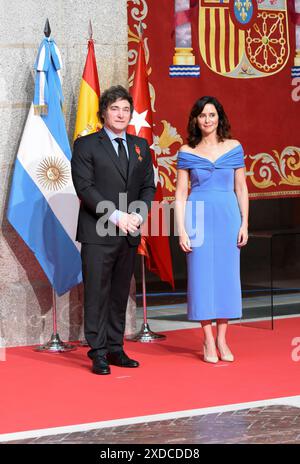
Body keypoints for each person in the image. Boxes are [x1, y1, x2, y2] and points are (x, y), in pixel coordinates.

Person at [71, 85, 156, 374]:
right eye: (115, 108)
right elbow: (85, 188)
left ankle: (116, 347)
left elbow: (148, 187)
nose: (121, 114)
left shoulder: (140, 146)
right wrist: (117, 215)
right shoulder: (86, 145)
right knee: (97, 293)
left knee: (120, 293)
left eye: (125, 109)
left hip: (130, 231)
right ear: (103, 112)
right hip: (98, 231)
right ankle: (98, 352)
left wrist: (138, 216)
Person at [175, 96, 248, 364]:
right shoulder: (187, 151)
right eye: (203, 115)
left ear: (220, 118)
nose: (208, 120)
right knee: (201, 277)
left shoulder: (234, 147)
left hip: (228, 216)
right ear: (196, 119)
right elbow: (181, 193)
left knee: (227, 277)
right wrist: (181, 229)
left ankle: (222, 339)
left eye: (212, 115)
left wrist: (245, 222)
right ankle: (207, 339)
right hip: (198, 217)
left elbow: (241, 187)